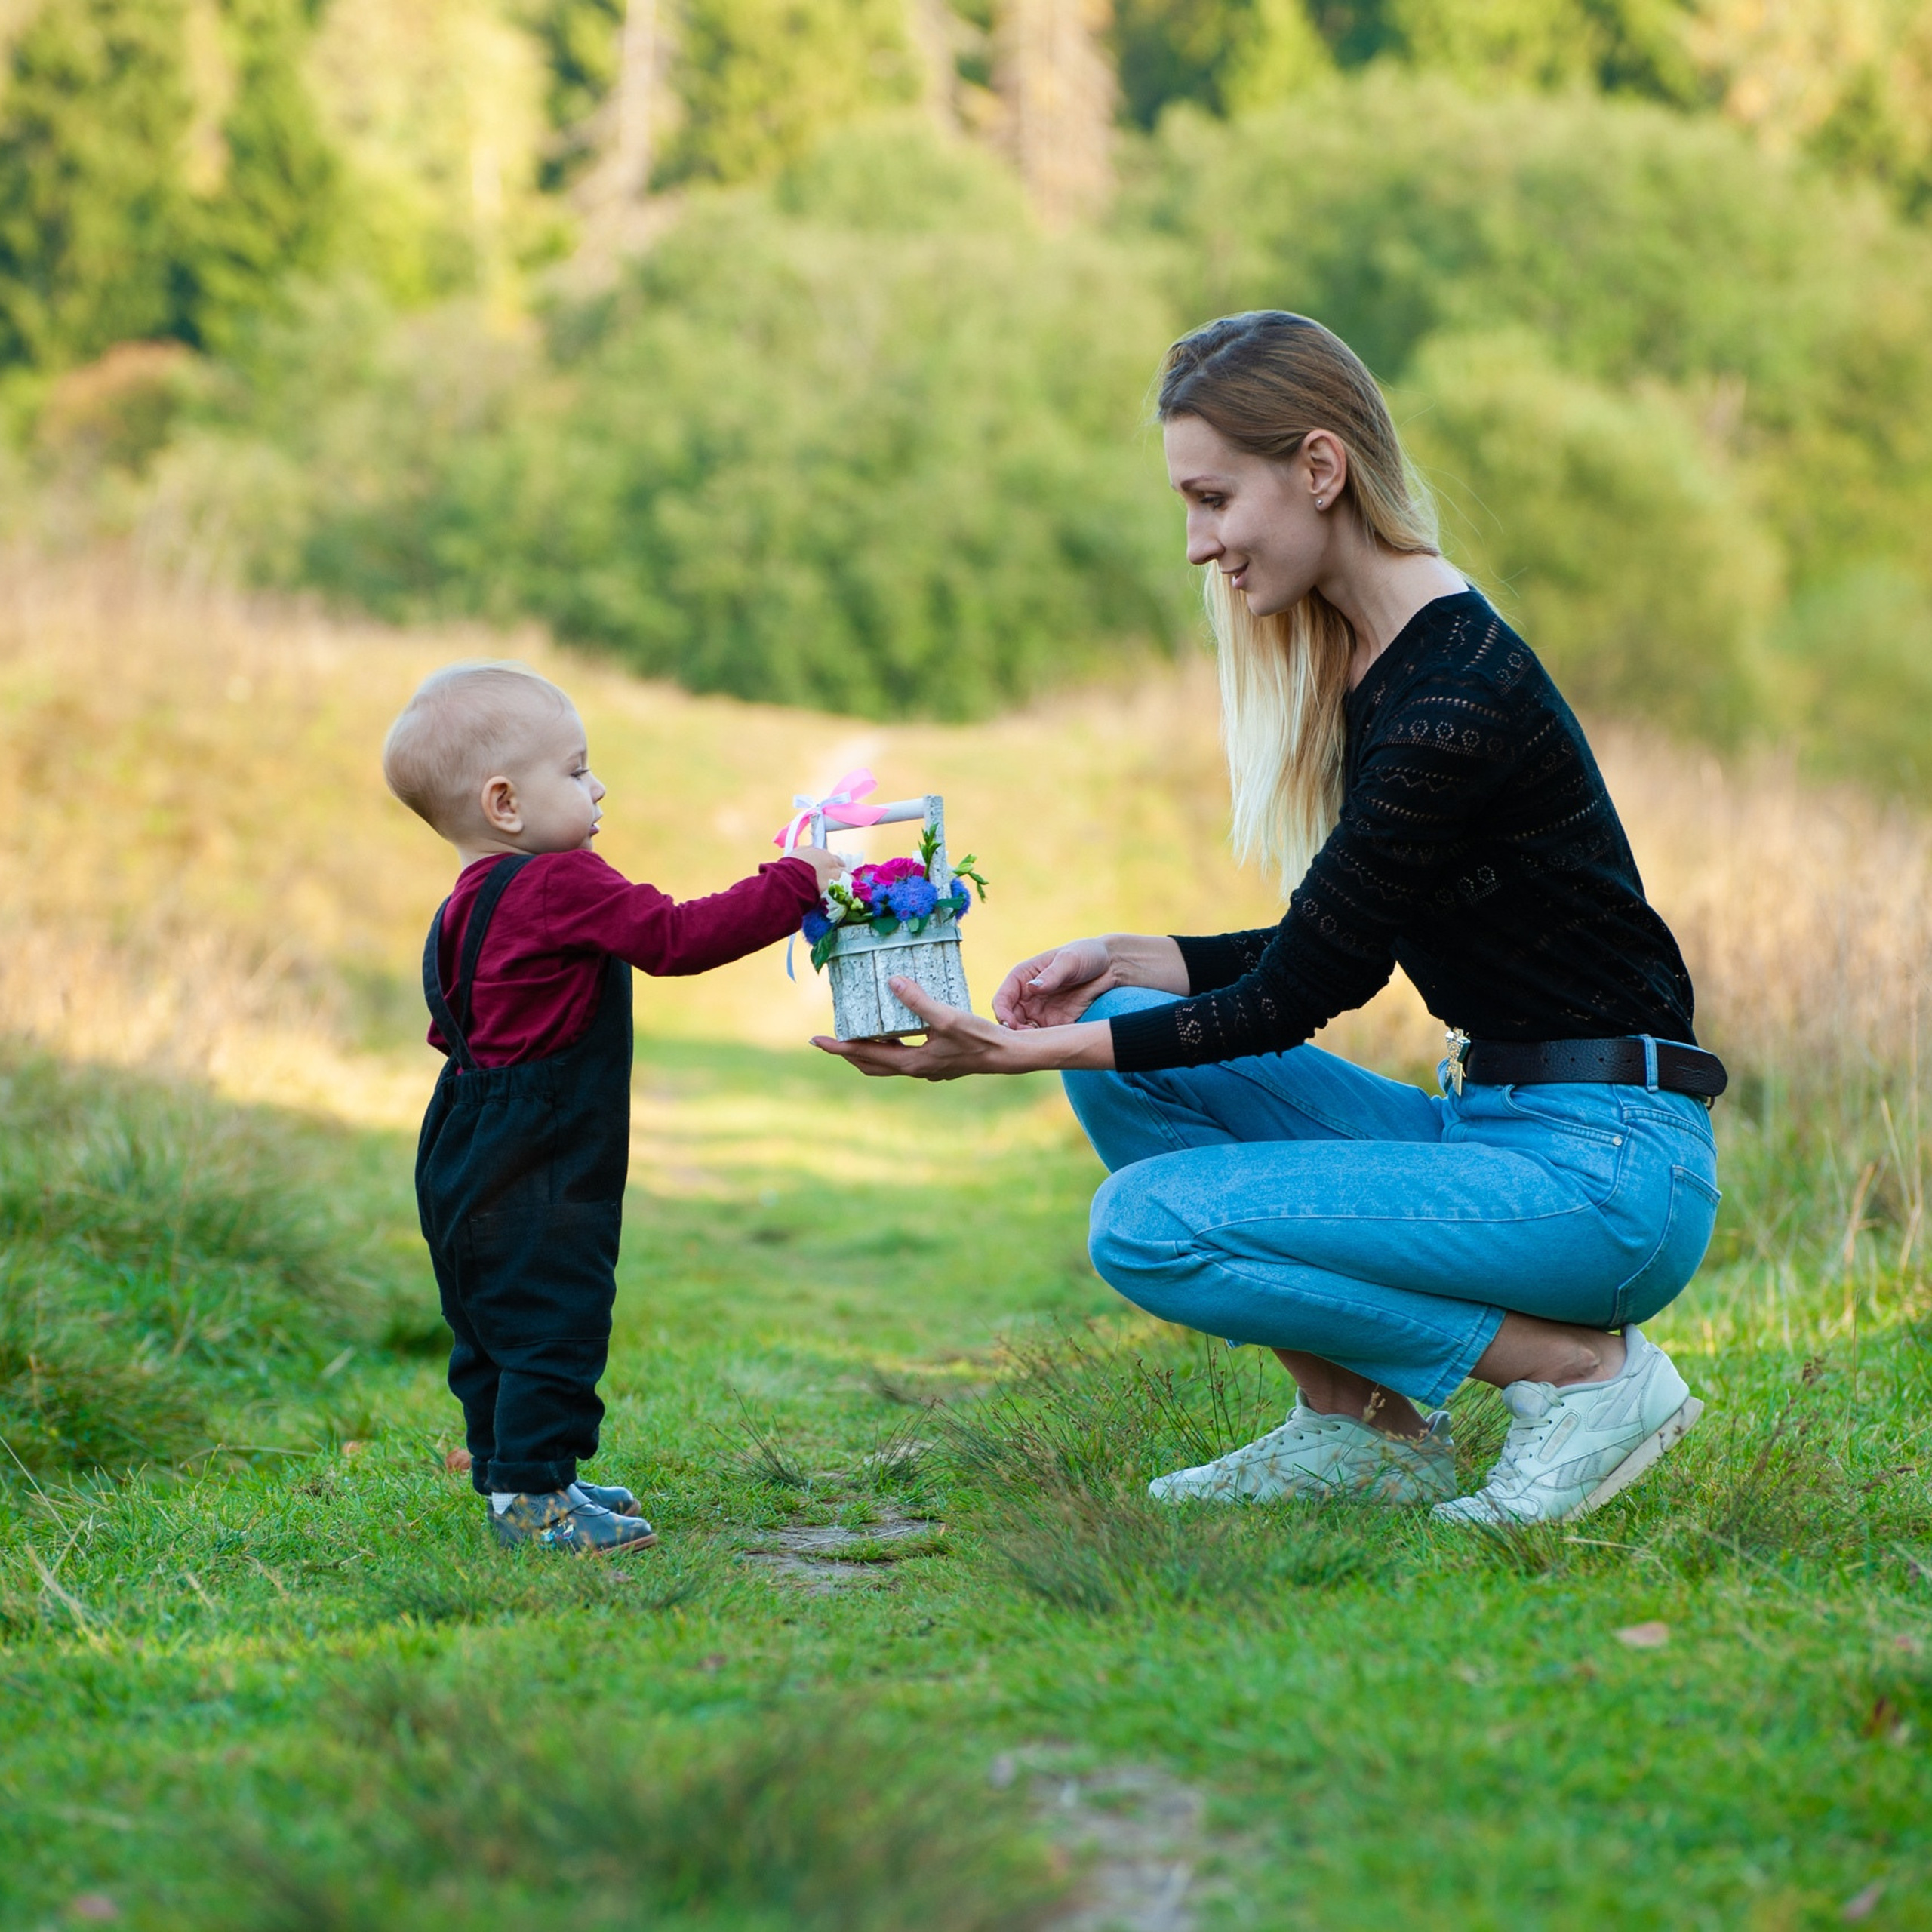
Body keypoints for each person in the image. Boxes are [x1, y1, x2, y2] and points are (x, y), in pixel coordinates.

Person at [814, 311, 1725, 1527]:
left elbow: (1300, 996)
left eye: (1212, 498)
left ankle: (1584, 1380)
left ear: (1318, 468)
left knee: (1145, 1226)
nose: (1198, 545)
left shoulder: (1453, 693)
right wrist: (1124, 960)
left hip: (1609, 1175)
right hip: (1499, 1134)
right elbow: (1337, 939)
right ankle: (1369, 1432)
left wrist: (1020, 1052)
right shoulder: (1383, 662)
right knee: (1128, 1042)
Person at [383, 663, 841, 1553]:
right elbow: (675, 938)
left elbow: (464, 1025)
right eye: (577, 770)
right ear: (506, 803)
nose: (598, 789)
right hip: (543, 1144)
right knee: (555, 1312)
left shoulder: (461, 905)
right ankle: (535, 1499)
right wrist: (793, 884)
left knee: (490, 1317)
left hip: (460, 1132)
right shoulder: (561, 881)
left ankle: (517, 1475)